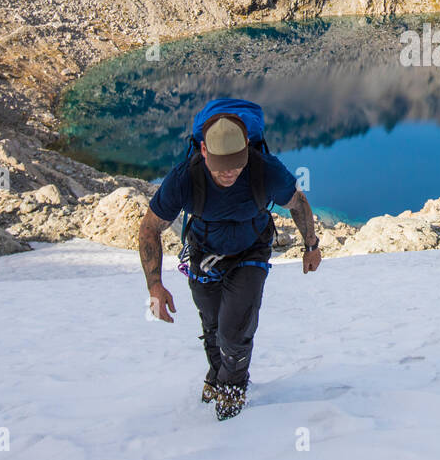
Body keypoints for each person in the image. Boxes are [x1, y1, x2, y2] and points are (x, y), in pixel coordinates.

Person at [138, 110, 322, 420]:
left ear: (247, 148)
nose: (230, 174)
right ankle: (216, 373)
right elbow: (149, 228)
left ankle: (233, 389)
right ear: (204, 151)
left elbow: (298, 202)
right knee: (212, 324)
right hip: (203, 255)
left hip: (251, 251)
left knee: (235, 327)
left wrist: (311, 245)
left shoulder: (265, 170)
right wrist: (154, 285)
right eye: (221, 168)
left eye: (237, 165)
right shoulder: (185, 177)